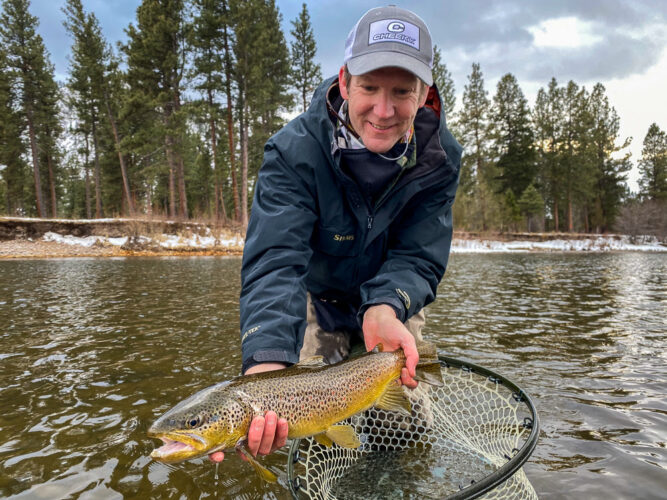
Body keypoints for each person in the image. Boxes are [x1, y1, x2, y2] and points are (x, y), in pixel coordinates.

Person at [210, 5, 462, 463]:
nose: (383, 111)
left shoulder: (439, 157)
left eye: (402, 92)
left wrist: (387, 308)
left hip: (391, 304)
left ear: (424, 94)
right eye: (369, 87)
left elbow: (420, 255)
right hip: (318, 300)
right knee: (308, 439)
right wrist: (267, 364)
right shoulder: (294, 152)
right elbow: (275, 261)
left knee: (402, 430)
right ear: (345, 81)